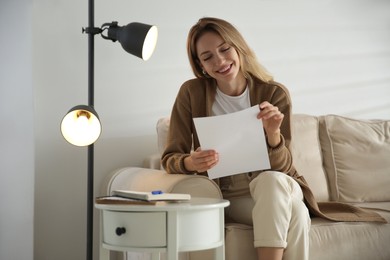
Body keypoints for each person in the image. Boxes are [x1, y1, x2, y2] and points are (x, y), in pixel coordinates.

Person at [161, 17, 386, 260]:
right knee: (297, 213)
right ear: (201, 65)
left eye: (225, 49)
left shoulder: (273, 93)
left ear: (238, 48)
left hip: (281, 185)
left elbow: (284, 168)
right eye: (208, 57)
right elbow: (170, 158)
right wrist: (190, 163)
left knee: (271, 180)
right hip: (232, 195)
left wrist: (273, 134)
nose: (220, 61)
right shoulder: (191, 93)